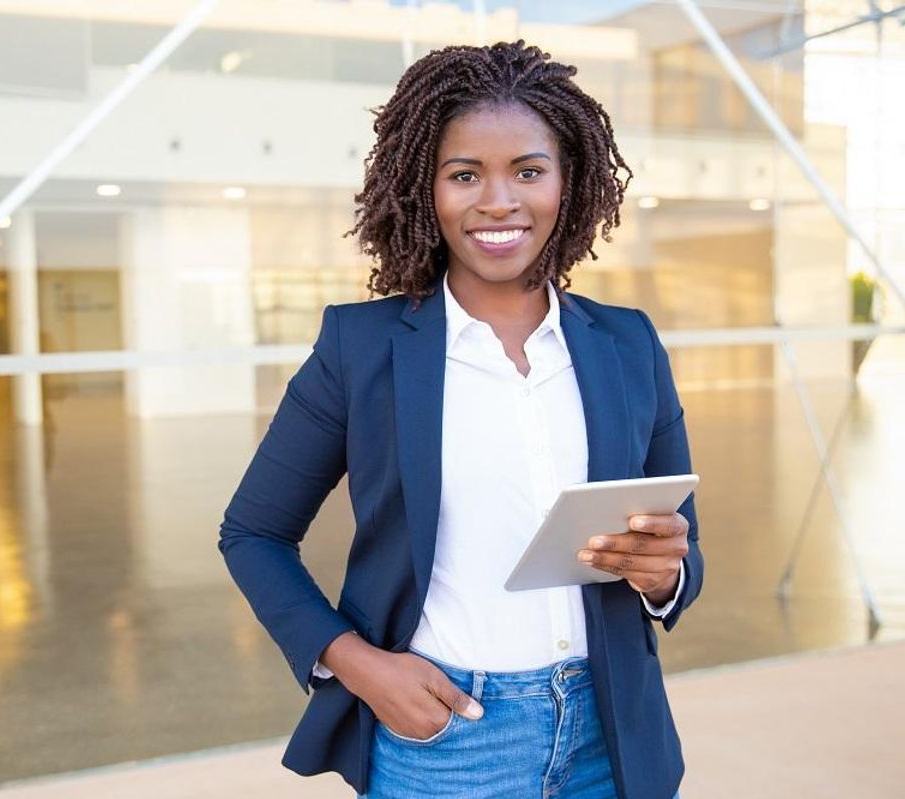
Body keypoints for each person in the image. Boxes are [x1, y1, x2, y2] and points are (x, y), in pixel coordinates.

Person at [218, 40, 701, 799]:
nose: (499, 201)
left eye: (529, 171)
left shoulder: (628, 343)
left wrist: (666, 572)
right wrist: (359, 665)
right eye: (465, 174)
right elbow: (253, 532)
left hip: (613, 735)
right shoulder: (362, 348)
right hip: (447, 738)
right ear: (424, 188)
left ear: (567, 184)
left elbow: (680, 548)